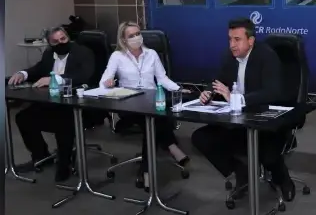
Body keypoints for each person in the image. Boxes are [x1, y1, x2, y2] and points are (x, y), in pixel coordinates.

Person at [190, 17, 296, 202]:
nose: (232, 45)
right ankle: (241, 172)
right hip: (238, 120)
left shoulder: (267, 56)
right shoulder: (229, 56)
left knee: (268, 155)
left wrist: (236, 98)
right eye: (230, 39)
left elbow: (272, 92)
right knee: (201, 138)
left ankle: (283, 179)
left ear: (251, 40)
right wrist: (208, 92)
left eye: (237, 39)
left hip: (265, 119)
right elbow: (218, 80)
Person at [100, 21, 189, 187]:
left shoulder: (151, 54)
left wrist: (178, 89)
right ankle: (170, 146)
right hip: (128, 104)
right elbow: (103, 82)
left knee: (153, 120)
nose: (136, 37)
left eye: (138, 33)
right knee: (153, 121)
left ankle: (146, 171)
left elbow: (162, 78)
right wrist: (108, 83)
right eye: (131, 35)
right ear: (123, 40)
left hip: (152, 101)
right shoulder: (117, 56)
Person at [8, 25, 95, 182]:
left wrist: (55, 79)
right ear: (50, 44)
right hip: (52, 101)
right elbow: (39, 68)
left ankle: (64, 164)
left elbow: (84, 76)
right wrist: (23, 73)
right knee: (23, 118)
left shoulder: (83, 52)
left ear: (68, 38)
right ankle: (41, 155)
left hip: (77, 103)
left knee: (63, 123)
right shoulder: (49, 54)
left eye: (63, 39)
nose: (61, 43)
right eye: (55, 41)